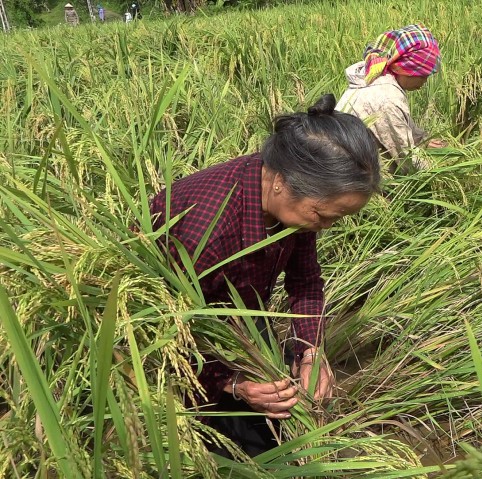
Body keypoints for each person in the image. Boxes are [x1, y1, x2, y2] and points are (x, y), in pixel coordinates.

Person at [149, 94, 380, 456]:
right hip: (169, 331)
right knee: (220, 449)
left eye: (340, 218)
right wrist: (233, 384)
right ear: (281, 183)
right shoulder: (204, 233)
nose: (328, 227)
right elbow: (163, 328)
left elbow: (305, 280)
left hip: (236, 310)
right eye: (324, 216)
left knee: (281, 425)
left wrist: (310, 351)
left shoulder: (292, 203)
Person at [337, 23, 446, 174]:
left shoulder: (382, 77)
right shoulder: (386, 98)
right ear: (407, 69)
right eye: (423, 75)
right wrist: (442, 171)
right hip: (348, 175)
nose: (425, 81)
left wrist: (422, 140)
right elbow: (407, 158)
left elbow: (398, 125)